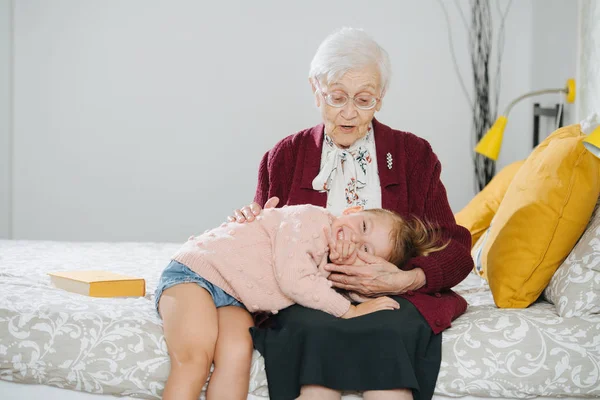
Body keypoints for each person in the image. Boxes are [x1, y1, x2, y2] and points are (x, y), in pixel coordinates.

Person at [230, 27, 474, 400]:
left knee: (387, 325)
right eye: (337, 97)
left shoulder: (414, 154)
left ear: (381, 98)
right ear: (315, 90)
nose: (348, 113)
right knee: (310, 325)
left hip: (393, 298)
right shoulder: (285, 156)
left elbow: (455, 252)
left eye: (363, 99)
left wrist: (404, 281)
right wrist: (248, 224)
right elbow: (260, 248)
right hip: (305, 297)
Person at [155, 204, 447, 400]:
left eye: (365, 249)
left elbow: (336, 289)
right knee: (194, 356)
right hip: (196, 272)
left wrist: (363, 288)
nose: (354, 239)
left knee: (236, 352)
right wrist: (350, 311)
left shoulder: (333, 260)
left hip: (235, 297)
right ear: (351, 210)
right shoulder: (311, 220)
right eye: (363, 226)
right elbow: (295, 281)